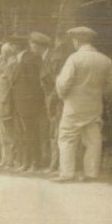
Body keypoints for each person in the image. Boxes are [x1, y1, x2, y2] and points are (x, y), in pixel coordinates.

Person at [53, 27, 112, 183]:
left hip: (74, 106)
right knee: (93, 140)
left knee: (67, 138)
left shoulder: (74, 59)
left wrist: (64, 96)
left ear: (76, 41)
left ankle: (67, 174)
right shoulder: (105, 60)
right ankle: (91, 174)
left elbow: (63, 83)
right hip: (94, 106)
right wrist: (98, 93)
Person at [8, 35, 45, 172]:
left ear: (17, 46)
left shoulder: (29, 59)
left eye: (12, 45)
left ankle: (35, 162)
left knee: (31, 132)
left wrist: (35, 102)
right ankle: (27, 162)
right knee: (24, 133)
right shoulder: (21, 59)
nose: (11, 48)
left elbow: (35, 84)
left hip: (29, 103)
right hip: (20, 103)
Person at [40, 35, 74, 175]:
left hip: (57, 100)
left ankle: (57, 165)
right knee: (55, 132)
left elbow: (56, 82)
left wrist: (52, 99)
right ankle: (56, 164)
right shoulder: (54, 57)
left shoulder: (58, 58)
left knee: (57, 132)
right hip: (53, 99)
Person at [28, 31, 54, 169]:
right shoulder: (43, 59)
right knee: (48, 133)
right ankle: (50, 163)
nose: (31, 48)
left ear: (39, 46)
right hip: (47, 101)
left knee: (53, 133)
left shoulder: (50, 59)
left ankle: (54, 164)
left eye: (32, 45)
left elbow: (53, 83)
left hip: (53, 101)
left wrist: (50, 101)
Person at [0, 43, 18, 168]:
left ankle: (11, 159)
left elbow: (9, 86)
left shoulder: (12, 64)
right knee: (2, 132)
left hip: (5, 103)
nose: (2, 55)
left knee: (8, 132)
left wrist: (4, 99)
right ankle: (5, 158)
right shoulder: (5, 65)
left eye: (4, 53)